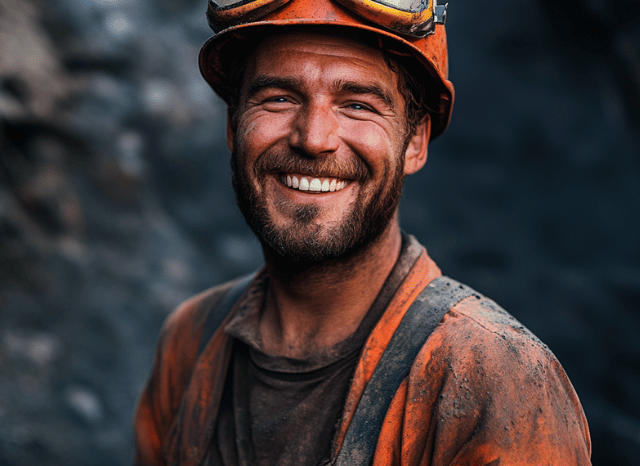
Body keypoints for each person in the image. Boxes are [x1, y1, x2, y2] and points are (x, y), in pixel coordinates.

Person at [133, 1, 592, 465]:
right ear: (234, 126)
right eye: (279, 98)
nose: (314, 138)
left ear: (414, 142)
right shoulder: (189, 342)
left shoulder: (496, 377)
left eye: (357, 105)